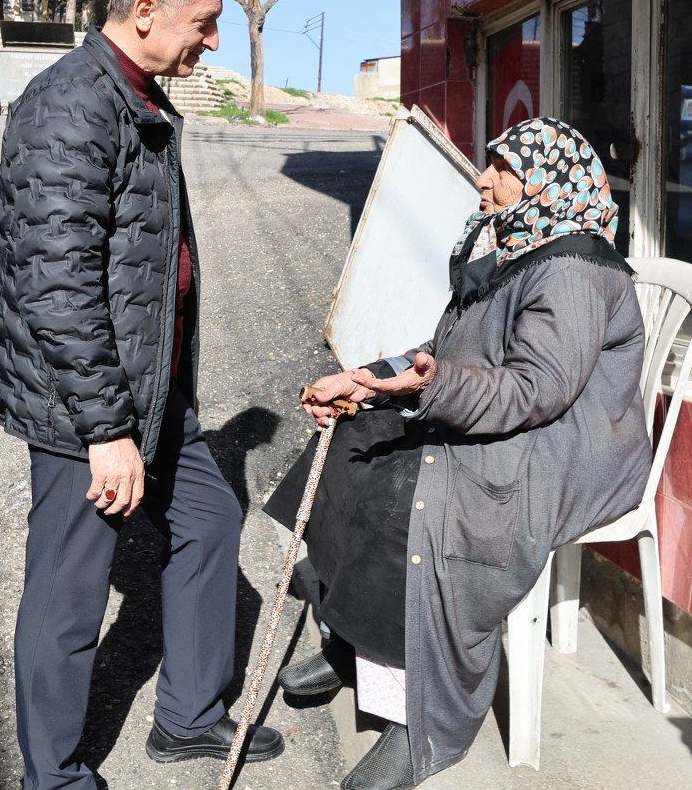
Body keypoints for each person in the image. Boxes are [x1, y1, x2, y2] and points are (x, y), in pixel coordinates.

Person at [0, 0, 283, 789]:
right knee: (70, 587)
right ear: (146, 11)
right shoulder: (72, 105)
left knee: (209, 519)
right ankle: (54, 776)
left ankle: (187, 715)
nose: (211, 39)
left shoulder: (135, 92)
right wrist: (108, 431)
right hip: (82, 399)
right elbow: (57, 286)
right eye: (204, 21)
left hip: (144, 385)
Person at [270, 118, 652, 789]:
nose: (483, 177)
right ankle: (353, 635)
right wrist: (363, 381)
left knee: (411, 501)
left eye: (502, 168)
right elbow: (438, 351)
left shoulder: (572, 269)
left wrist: (431, 386)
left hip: (558, 448)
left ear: (545, 182)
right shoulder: (520, 248)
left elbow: (536, 391)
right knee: (356, 441)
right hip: (511, 422)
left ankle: (414, 713)